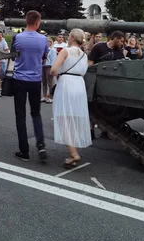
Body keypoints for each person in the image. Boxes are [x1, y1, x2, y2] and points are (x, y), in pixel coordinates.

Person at [50, 28, 91, 168]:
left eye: (69, 36)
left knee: (63, 118)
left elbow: (53, 69)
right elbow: (84, 71)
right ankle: (73, 151)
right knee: (74, 117)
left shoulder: (66, 51)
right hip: (79, 85)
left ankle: (74, 153)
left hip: (66, 84)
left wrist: (59, 73)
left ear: (72, 37)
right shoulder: (84, 55)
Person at [12, 10, 49, 162]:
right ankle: (41, 144)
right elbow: (44, 57)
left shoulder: (17, 37)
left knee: (20, 115)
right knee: (36, 113)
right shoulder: (43, 39)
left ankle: (24, 150)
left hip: (19, 77)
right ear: (37, 22)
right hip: (35, 79)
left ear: (26, 21)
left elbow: (14, 54)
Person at [41, 37, 57, 103]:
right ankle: (44, 96)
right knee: (44, 81)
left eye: (49, 41)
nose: (47, 43)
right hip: (43, 65)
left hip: (49, 66)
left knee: (50, 82)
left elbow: (54, 59)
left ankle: (51, 96)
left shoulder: (52, 50)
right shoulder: (43, 50)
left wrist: (52, 68)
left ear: (51, 43)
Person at [0, 31, 9, 97]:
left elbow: (7, 50)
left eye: (1, 35)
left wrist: (1, 53)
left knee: (2, 74)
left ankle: (1, 87)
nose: (0, 36)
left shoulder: (4, 42)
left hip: (2, 60)